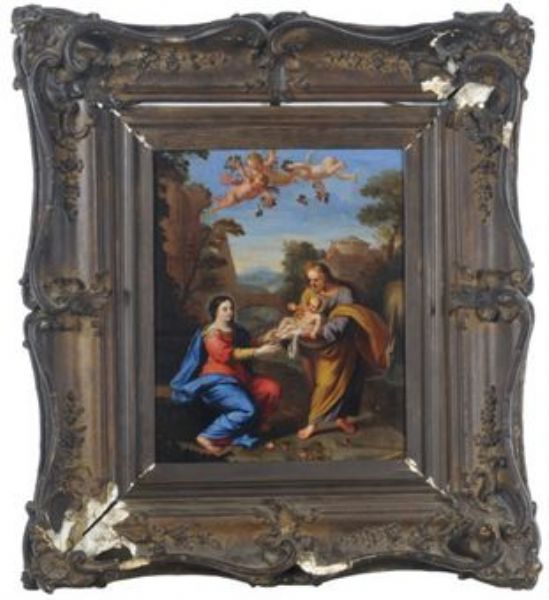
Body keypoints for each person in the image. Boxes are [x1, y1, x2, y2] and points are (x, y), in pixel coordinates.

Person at [170, 295, 281, 456]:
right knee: (246, 409)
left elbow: (247, 345)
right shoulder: (211, 333)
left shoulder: (236, 330)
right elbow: (225, 355)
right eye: (225, 309)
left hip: (240, 377)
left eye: (231, 308)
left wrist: (266, 339)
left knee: (271, 388)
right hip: (217, 380)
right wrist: (258, 352)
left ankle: (256, 426)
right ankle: (207, 436)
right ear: (215, 312)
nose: (230, 312)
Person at [295, 262, 391, 440]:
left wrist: (321, 330)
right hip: (321, 347)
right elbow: (301, 314)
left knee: (347, 384)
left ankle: (341, 419)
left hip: (344, 347)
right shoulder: (310, 293)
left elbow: (343, 320)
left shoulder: (344, 293)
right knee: (324, 384)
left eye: (316, 280)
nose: (312, 284)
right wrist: (302, 321)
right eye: (310, 280)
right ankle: (313, 423)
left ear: (326, 276)